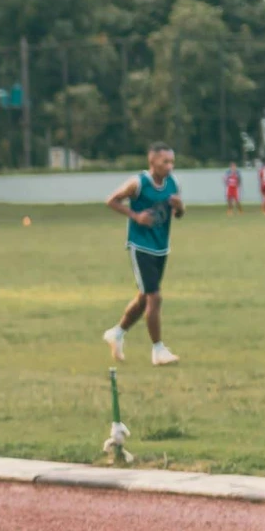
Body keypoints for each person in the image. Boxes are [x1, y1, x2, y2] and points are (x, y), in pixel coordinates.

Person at [101, 143, 183, 367]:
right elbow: (111, 201)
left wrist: (180, 206)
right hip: (140, 246)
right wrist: (135, 216)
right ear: (152, 161)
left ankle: (117, 333)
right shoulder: (138, 183)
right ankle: (158, 350)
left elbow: (178, 214)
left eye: (171, 162)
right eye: (165, 161)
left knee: (144, 296)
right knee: (154, 297)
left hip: (161, 247)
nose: (169, 166)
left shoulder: (173, 184)